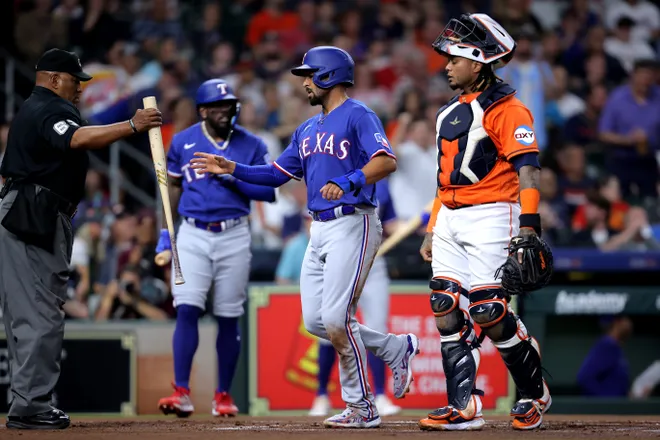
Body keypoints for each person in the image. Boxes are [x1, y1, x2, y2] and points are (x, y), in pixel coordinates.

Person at [190, 46, 419, 429]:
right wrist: (232, 168)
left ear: (329, 76)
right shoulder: (307, 129)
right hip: (320, 228)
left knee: (335, 318)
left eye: (310, 75)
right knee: (317, 322)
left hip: (354, 221)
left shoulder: (359, 115)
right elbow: (276, 174)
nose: (305, 82)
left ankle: (361, 406)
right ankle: (394, 347)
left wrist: (349, 180)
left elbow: (386, 160)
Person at [0, 48, 161, 430]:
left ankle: (29, 402)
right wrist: (133, 126)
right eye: (76, 81)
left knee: (35, 312)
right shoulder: (47, 108)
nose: (80, 89)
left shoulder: (39, 107)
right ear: (55, 78)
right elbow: (77, 139)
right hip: (31, 214)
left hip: (34, 212)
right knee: (40, 314)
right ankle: (31, 406)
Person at [417, 14, 551, 431]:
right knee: (444, 306)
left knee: (489, 310)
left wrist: (529, 223)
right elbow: (445, 180)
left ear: (477, 63)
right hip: (450, 219)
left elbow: (528, 167)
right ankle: (464, 405)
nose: (447, 65)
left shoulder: (509, 108)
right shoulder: (446, 114)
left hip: (495, 212)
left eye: (454, 59)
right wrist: (431, 227)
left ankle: (533, 392)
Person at [156, 79, 276, 418]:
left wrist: (230, 175)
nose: (225, 111)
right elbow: (170, 191)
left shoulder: (251, 144)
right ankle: (181, 392)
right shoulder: (183, 141)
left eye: (229, 105)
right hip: (192, 233)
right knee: (188, 308)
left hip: (234, 233)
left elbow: (269, 191)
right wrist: (167, 233)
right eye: (218, 107)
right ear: (203, 111)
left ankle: (223, 395)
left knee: (227, 315)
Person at [309, 179, 402, 417]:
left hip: (372, 259)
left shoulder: (379, 183)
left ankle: (380, 395)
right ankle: (321, 395)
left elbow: (391, 224)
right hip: (337, 257)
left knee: (377, 325)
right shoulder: (328, 170)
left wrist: (422, 224)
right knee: (328, 324)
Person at [577, 315, 633, 397]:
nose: (629, 323)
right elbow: (584, 377)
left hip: (616, 407)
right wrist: (606, 400)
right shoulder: (607, 345)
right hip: (605, 408)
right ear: (616, 323)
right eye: (624, 318)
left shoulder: (615, 346)